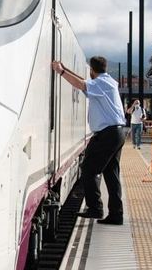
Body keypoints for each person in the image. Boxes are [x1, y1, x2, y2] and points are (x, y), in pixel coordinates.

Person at [51, 56, 126, 225]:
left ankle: (95, 209)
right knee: (111, 175)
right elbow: (83, 82)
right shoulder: (108, 82)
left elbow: (81, 84)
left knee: (88, 170)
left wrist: (60, 71)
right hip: (116, 133)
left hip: (107, 134)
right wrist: (64, 69)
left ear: (92, 70)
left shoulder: (100, 83)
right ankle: (116, 215)